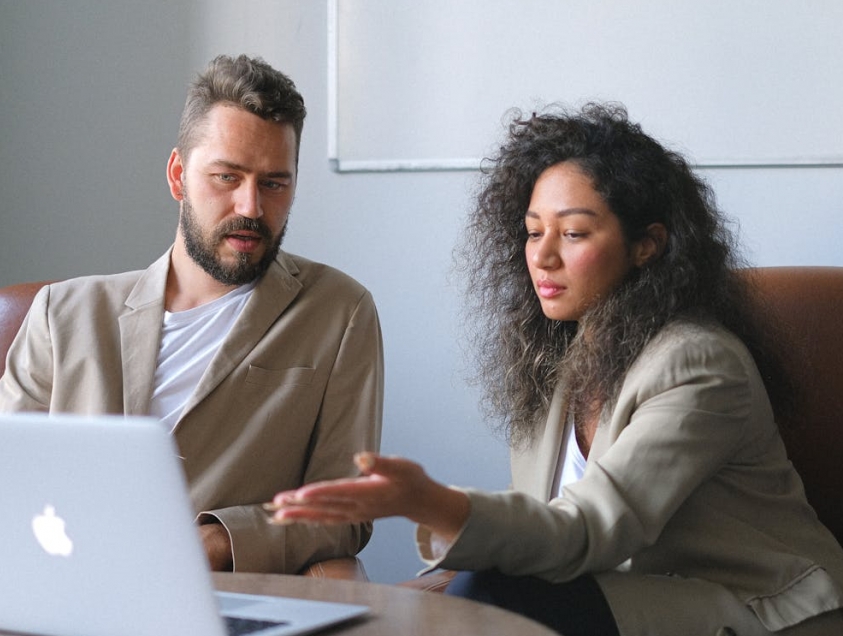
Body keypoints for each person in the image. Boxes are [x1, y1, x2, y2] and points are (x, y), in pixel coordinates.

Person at [268, 103, 843, 635]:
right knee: (467, 597)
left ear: (648, 244)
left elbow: (590, 528)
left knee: (500, 596)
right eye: (533, 231)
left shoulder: (698, 363)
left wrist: (429, 502)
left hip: (756, 609)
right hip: (629, 596)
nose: (542, 256)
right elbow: (544, 533)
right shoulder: (556, 358)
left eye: (572, 233)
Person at [0, 55, 382, 585]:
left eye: (274, 184)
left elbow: (347, 506)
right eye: (226, 177)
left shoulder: (337, 312)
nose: (250, 206)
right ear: (178, 176)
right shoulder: (63, 312)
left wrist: (219, 540)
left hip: (192, 591)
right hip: (25, 572)